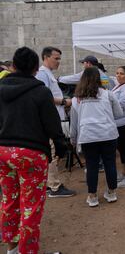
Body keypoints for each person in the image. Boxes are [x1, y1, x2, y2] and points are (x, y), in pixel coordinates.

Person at [0, 47, 67, 254]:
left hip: (3, 152)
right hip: (30, 153)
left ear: (13, 66)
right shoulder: (40, 91)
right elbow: (52, 123)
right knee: (30, 205)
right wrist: (61, 145)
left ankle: (11, 249)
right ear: (36, 68)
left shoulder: (0, 88)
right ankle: (27, 252)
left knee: (9, 200)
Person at [70, 67, 123, 207]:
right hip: (108, 134)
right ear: (99, 79)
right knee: (110, 164)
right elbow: (119, 114)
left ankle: (92, 197)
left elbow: (74, 122)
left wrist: (73, 139)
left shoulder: (76, 99)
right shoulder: (108, 94)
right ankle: (111, 193)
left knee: (91, 166)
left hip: (88, 136)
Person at [36, 46, 76, 198]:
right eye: (56, 58)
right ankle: (54, 186)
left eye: (59, 58)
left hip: (54, 118)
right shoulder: (42, 74)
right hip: (49, 120)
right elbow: (44, 97)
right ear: (46, 57)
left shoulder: (48, 74)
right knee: (52, 152)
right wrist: (64, 101)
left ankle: (49, 184)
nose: (59, 62)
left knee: (52, 152)